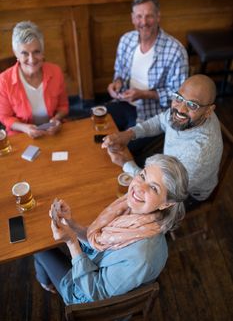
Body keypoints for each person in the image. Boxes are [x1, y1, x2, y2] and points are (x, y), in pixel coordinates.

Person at [34, 154, 188, 304]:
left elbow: (95, 293)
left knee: (40, 250)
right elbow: (99, 240)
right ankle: (47, 282)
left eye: (154, 188)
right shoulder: (131, 207)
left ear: (166, 204)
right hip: (94, 260)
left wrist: (72, 243)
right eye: (142, 176)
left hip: (87, 297)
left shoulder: (142, 257)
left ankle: (46, 283)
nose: (139, 187)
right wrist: (71, 223)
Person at [102, 74, 223, 208]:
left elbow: (161, 193)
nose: (181, 109)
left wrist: (125, 163)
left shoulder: (199, 154)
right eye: (178, 98)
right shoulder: (189, 114)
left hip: (184, 195)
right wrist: (129, 134)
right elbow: (161, 121)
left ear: (208, 111)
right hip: (167, 169)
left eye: (192, 105)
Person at [107, 0, 188, 134]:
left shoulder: (176, 51)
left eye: (149, 16)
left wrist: (144, 94)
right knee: (93, 126)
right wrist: (117, 83)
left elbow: (179, 98)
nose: (143, 22)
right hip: (124, 104)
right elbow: (119, 72)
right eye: (139, 16)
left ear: (158, 17)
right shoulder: (126, 40)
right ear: (132, 18)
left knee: (120, 146)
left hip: (153, 116)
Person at [0, 21, 69, 138]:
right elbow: (5, 117)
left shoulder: (56, 72)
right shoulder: (4, 81)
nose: (32, 60)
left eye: (36, 52)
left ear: (42, 52)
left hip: (53, 133)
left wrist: (56, 120)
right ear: (16, 54)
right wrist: (26, 128)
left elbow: (63, 106)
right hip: (21, 135)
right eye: (24, 53)